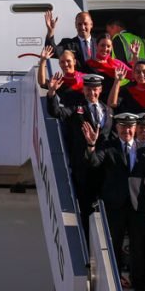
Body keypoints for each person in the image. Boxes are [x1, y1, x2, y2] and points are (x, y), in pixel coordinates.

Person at [82, 113, 145, 291]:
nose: (126, 131)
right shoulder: (108, 148)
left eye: (130, 127)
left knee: (139, 250)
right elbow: (93, 163)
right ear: (117, 128)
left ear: (135, 128)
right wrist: (91, 145)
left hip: (138, 208)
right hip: (114, 207)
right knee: (114, 248)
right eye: (123, 127)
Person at [47, 72, 117, 230]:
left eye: (95, 89)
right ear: (84, 90)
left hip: (104, 167)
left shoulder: (108, 111)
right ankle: (87, 248)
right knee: (85, 210)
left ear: (100, 90)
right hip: (83, 166)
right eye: (88, 89)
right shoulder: (77, 108)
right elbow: (56, 112)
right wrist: (51, 93)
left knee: (107, 208)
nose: (92, 93)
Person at [85, 34, 134, 99]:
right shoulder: (89, 64)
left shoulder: (117, 63)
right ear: (96, 46)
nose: (105, 48)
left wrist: (135, 56)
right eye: (102, 45)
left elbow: (134, 75)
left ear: (111, 48)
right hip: (95, 101)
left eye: (108, 46)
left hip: (114, 100)